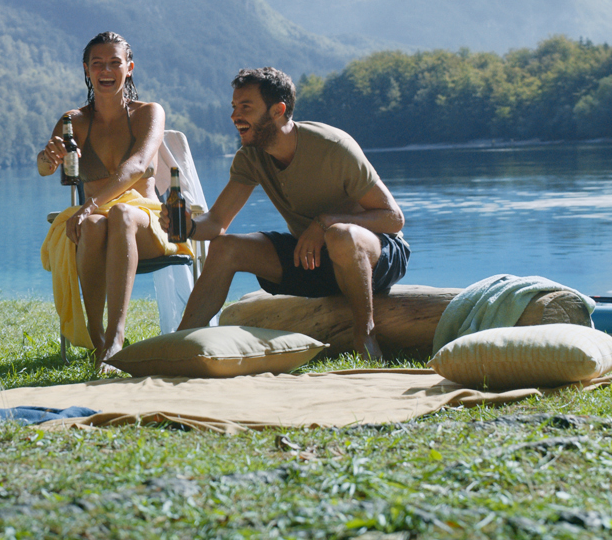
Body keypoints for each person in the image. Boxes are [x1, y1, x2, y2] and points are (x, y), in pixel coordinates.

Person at [177, 66, 409, 360]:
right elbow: (216, 223)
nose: (235, 116)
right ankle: (179, 343)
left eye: (245, 107)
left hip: (377, 256)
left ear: (278, 110)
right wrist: (190, 227)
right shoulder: (250, 158)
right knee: (226, 247)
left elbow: (393, 218)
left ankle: (366, 336)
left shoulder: (333, 147)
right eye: (234, 107)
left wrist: (324, 223)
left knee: (339, 235)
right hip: (315, 262)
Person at [36, 32, 184, 365]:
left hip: (146, 222)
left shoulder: (148, 112)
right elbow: (45, 168)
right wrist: (48, 157)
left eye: (114, 63)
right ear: (87, 70)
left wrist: (89, 203)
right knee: (90, 226)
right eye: (98, 63)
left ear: (129, 68)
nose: (106, 70)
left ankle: (117, 338)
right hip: (96, 224)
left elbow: (137, 165)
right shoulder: (74, 121)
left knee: (122, 214)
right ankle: (96, 335)